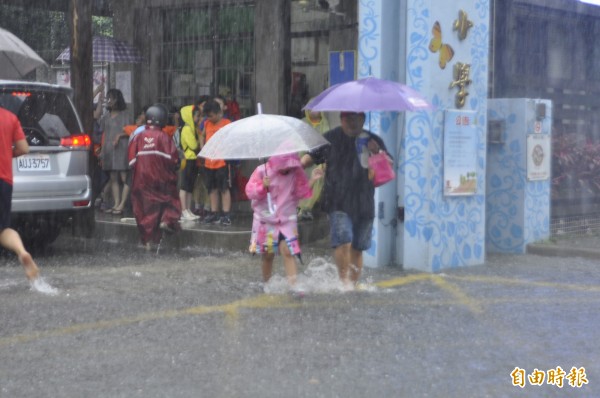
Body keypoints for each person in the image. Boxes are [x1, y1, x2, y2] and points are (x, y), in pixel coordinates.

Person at [301, 111, 391, 291]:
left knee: (358, 246)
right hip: (338, 200)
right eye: (348, 118)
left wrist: (377, 152)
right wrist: (286, 168)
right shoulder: (331, 138)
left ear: (363, 119)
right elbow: (308, 159)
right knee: (344, 240)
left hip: (364, 201)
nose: (352, 122)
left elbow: (389, 165)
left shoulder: (373, 140)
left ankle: (354, 283)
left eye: (356, 118)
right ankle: (344, 283)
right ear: (341, 119)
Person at [245, 152, 319, 291]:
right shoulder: (262, 171)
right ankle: (267, 284)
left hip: (286, 220)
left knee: (288, 251)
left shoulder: (295, 172)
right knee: (268, 255)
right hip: (265, 221)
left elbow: (300, 193)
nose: (286, 170)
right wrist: (262, 186)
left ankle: (294, 287)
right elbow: (249, 191)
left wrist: (313, 180)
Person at [128, 104, 181, 250]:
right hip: (161, 180)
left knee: (144, 210)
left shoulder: (138, 137)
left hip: (141, 181)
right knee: (169, 200)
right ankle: (167, 221)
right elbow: (174, 160)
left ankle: (148, 241)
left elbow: (131, 161)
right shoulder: (164, 137)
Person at [0, 106, 40, 283]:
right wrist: (8, 153)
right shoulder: (9, 117)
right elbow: (24, 148)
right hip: (4, 181)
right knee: (3, 228)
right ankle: (22, 252)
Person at [95, 88, 130, 216]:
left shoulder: (125, 115)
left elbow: (129, 131)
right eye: (108, 98)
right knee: (113, 177)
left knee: (124, 177)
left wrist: (119, 136)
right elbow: (96, 119)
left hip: (122, 149)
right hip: (109, 150)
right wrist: (99, 100)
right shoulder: (106, 117)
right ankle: (116, 203)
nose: (109, 101)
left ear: (117, 100)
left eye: (112, 98)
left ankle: (123, 204)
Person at [202, 99, 233, 226]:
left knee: (224, 188)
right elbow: (202, 135)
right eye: (207, 116)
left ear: (218, 113)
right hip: (209, 162)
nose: (209, 118)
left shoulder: (227, 123)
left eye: (211, 115)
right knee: (212, 188)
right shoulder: (207, 124)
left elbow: (232, 139)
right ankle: (214, 213)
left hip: (222, 162)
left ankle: (226, 214)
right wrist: (203, 148)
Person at [298, 108, 330, 221]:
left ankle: (307, 208)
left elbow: (325, 142)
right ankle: (300, 207)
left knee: (317, 179)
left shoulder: (324, 124)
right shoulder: (303, 123)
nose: (314, 111)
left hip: (318, 160)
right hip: (304, 157)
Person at [178, 104, 201, 221]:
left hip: (193, 160)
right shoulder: (187, 129)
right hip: (187, 160)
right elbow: (194, 145)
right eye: (197, 116)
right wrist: (199, 140)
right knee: (184, 186)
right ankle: (183, 210)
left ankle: (188, 210)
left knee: (190, 186)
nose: (198, 119)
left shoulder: (193, 129)